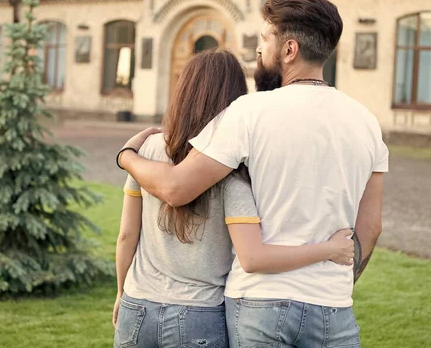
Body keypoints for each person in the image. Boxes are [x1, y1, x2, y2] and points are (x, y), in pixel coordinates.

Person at [113, 50, 356, 348]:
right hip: (198, 315)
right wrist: (329, 248)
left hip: (136, 307)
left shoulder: (146, 151)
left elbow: (126, 236)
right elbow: (252, 256)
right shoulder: (232, 168)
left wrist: (120, 293)